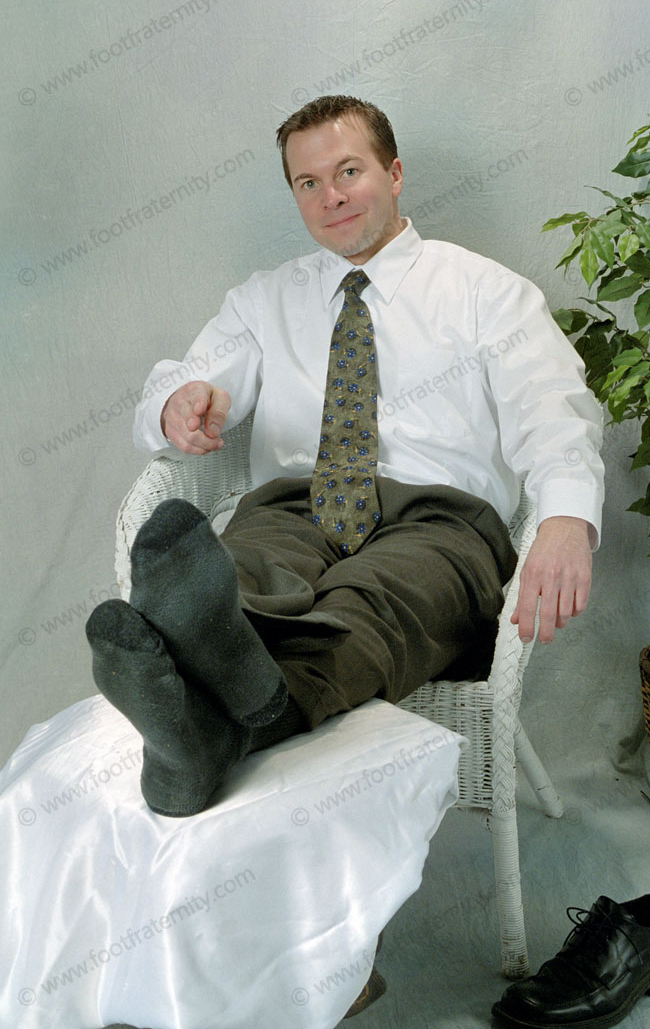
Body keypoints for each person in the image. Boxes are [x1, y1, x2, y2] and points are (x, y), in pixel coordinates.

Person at [86, 94, 604, 824]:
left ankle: (202, 732)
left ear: (394, 174)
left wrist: (566, 518)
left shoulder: (486, 293)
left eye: (349, 171)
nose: (330, 196)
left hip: (442, 522)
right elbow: (186, 382)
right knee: (241, 574)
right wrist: (178, 402)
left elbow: (556, 410)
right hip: (293, 509)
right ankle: (214, 706)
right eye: (308, 182)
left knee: (370, 602)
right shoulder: (265, 301)